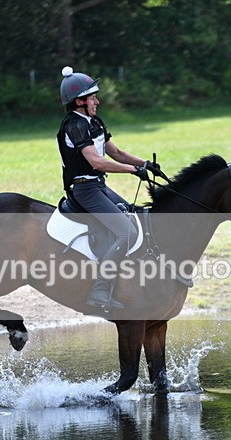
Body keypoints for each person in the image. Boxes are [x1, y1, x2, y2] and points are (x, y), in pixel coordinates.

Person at [56, 66, 160, 312]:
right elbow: (97, 161)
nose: (97, 101)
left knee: (135, 214)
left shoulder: (94, 121)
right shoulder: (74, 126)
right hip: (84, 190)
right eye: (93, 98)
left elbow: (115, 152)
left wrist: (144, 163)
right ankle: (100, 290)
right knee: (127, 234)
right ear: (79, 101)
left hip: (98, 187)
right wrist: (133, 171)